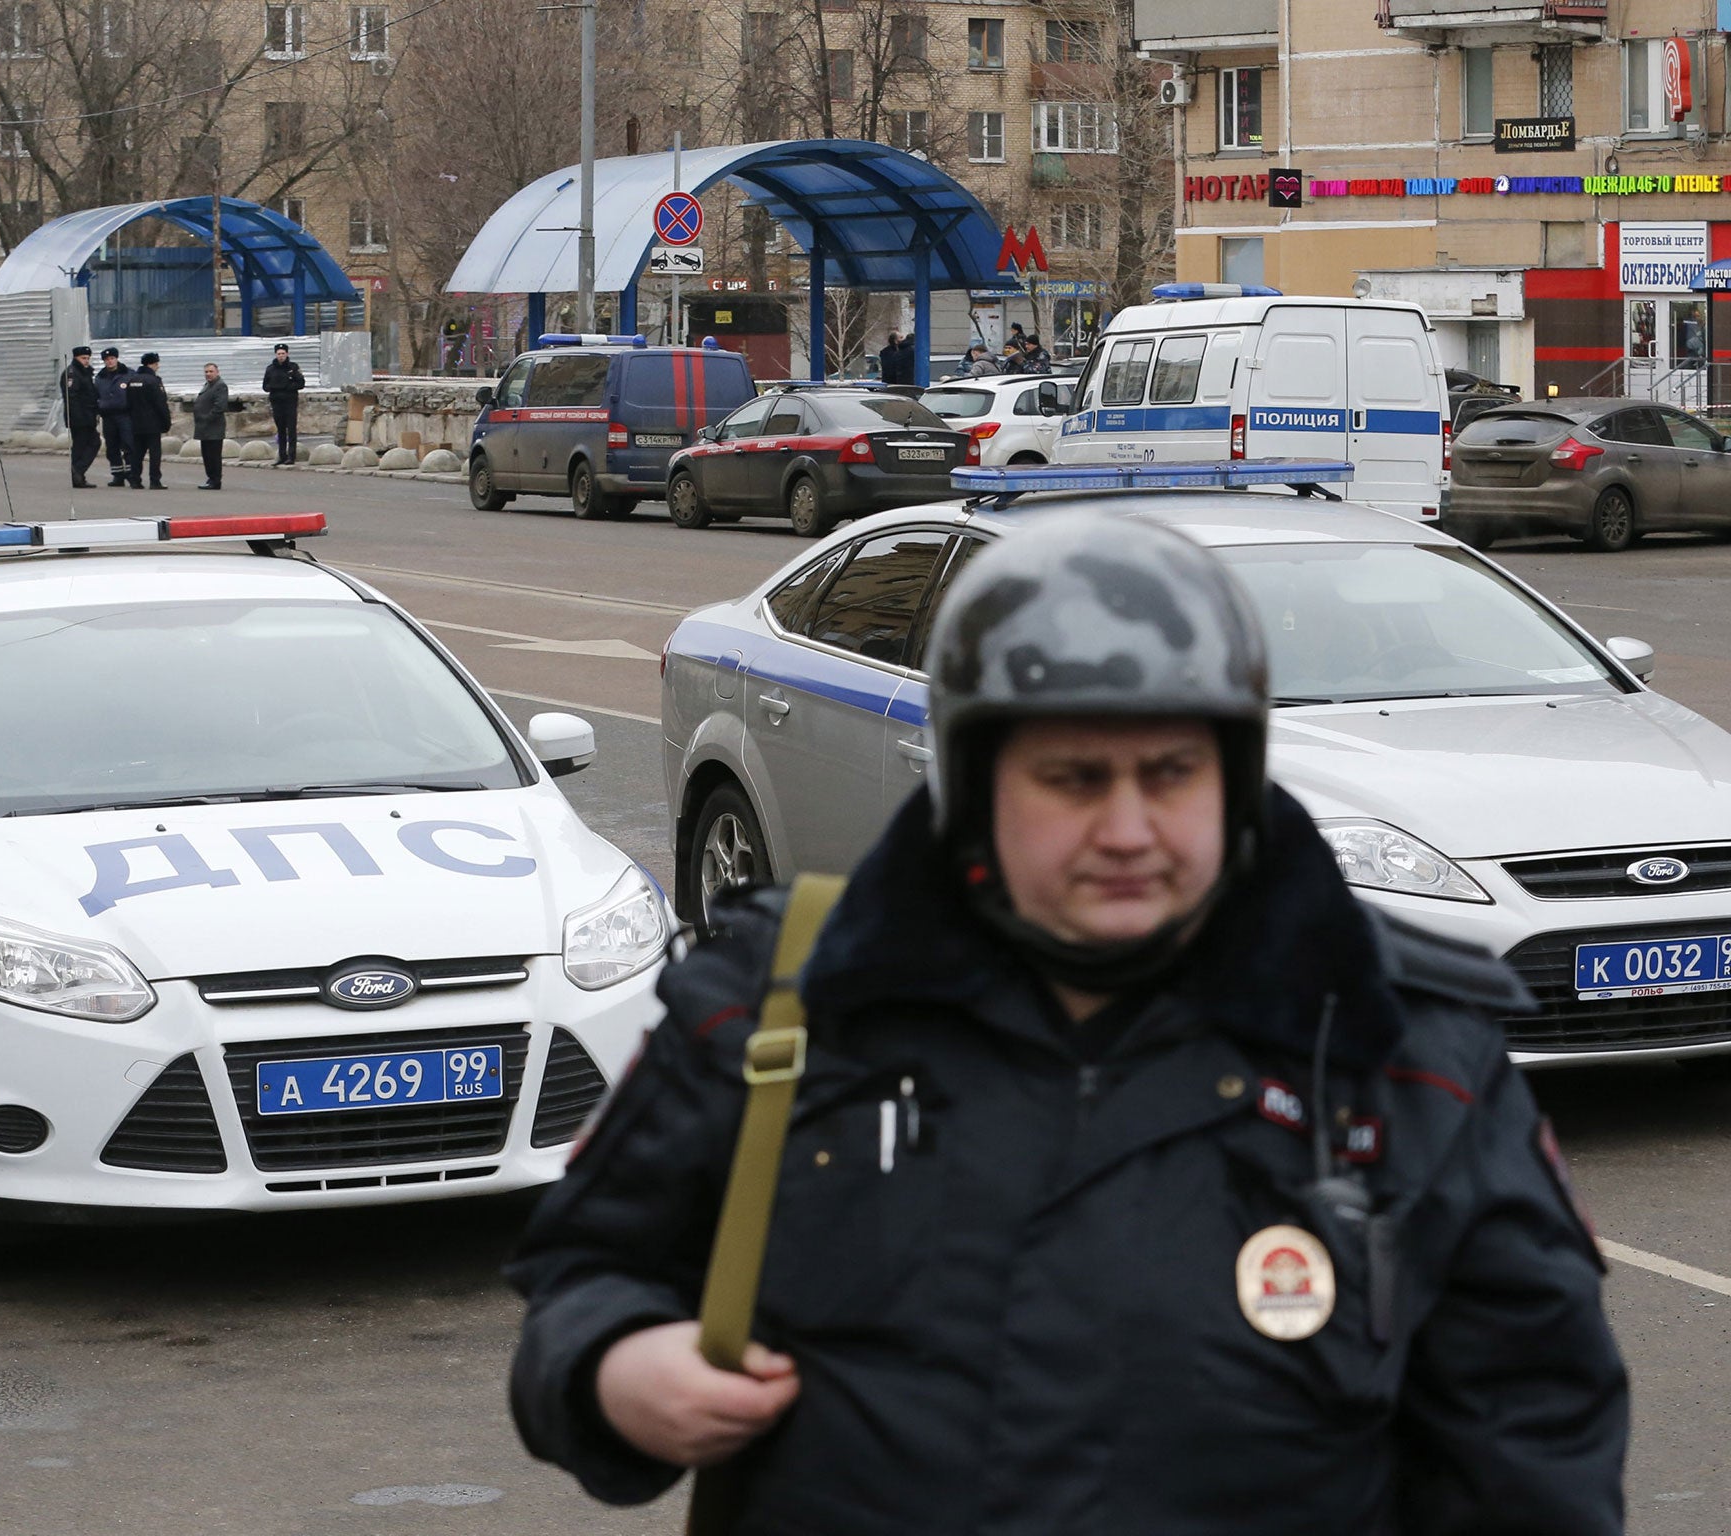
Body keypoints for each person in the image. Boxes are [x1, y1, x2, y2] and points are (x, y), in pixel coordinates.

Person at [507, 512, 1628, 1534]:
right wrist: (614, 1367)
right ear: (975, 784)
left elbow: (1534, 1439)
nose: (1129, 828)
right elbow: (589, 1275)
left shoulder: (1403, 1054)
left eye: (1172, 773)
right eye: (1072, 779)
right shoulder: (780, 1008)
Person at [128, 352, 173, 490]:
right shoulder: (154, 381)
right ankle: (155, 480)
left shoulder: (132, 380)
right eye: (156, 364)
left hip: (135, 423)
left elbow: (128, 402)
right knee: (154, 453)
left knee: (137, 453)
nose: (157, 367)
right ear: (152, 364)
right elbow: (160, 404)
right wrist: (166, 422)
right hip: (152, 423)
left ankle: (135, 479)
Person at [95, 347, 134, 488]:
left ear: (116, 359)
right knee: (111, 447)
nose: (110, 362)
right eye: (107, 360)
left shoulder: (128, 374)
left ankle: (132, 475)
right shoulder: (100, 378)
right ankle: (118, 475)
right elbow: (96, 396)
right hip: (108, 416)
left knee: (129, 445)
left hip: (125, 415)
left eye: (112, 359)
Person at [61, 345, 99, 488]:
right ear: (76, 358)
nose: (86, 361)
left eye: (88, 358)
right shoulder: (72, 373)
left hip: (87, 416)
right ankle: (78, 471)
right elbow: (72, 398)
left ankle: (78, 475)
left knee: (83, 446)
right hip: (80, 418)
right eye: (83, 358)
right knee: (89, 444)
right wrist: (79, 418)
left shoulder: (84, 373)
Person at [263, 342, 306, 464]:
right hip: (276, 402)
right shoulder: (270, 369)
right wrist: (274, 387)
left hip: (290, 401)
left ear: (287, 354)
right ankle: (282, 456)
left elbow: (301, 383)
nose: (281, 356)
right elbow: (265, 386)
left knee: (291, 429)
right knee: (280, 429)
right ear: (275, 354)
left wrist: (287, 386)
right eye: (279, 354)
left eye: (283, 353)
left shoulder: (293, 367)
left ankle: (291, 456)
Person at [192, 363, 229, 490]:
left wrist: (206, 418)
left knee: (213, 456)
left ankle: (215, 480)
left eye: (211, 371)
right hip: (204, 428)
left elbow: (220, 407)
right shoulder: (207, 385)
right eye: (206, 372)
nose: (208, 374)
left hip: (213, 428)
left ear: (217, 372)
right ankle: (210, 478)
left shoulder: (220, 386)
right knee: (206, 455)